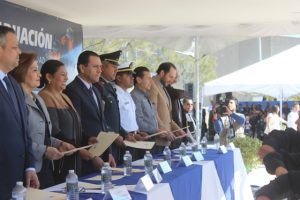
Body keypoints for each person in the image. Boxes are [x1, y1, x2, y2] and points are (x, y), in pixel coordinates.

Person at [9, 52, 75, 188]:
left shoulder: (38, 98)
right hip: (26, 169)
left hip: (45, 167)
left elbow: (44, 134)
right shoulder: (15, 100)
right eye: (34, 70)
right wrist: (44, 150)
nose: (39, 74)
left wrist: (59, 143)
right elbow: (16, 140)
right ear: (20, 71)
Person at [0, 25, 39, 199]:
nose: (19, 52)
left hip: (17, 180)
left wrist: (29, 166)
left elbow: (24, 130)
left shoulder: (13, 84)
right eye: (14, 47)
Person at [64, 50, 116, 175]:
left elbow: (102, 122)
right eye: (95, 67)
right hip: (85, 156)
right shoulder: (72, 90)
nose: (100, 71)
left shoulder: (96, 90)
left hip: (101, 153)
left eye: (100, 67)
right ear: (82, 68)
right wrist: (91, 155)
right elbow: (76, 126)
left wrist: (108, 152)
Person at [95, 50, 132, 164]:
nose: (116, 70)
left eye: (117, 66)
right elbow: (102, 118)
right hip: (104, 142)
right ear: (102, 67)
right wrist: (114, 136)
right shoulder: (98, 87)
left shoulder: (108, 87)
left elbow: (115, 118)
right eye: (113, 66)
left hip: (115, 141)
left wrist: (125, 134)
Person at [148, 62, 186, 152]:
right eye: (170, 77)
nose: (172, 80)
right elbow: (152, 112)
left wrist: (177, 128)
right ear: (162, 73)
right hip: (157, 140)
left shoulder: (162, 86)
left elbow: (167, 115)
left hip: (165, 140)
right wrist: (164, 131)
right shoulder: (152, 85)